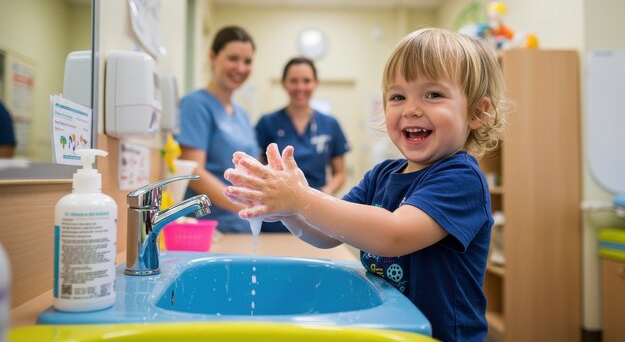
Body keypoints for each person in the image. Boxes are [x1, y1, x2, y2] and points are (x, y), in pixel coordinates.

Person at [224, 28, 511, 341]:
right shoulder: (382, 175)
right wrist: (290, 212)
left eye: (433, 95)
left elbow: (394, 234)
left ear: (477, 113)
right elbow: (328, 234)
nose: (411, 108)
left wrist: (301, 198)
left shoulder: (461, 177)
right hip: (393, 328)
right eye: (398, 96)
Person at [175, 26, 260, 233]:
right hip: (209, 229)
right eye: (233, 58)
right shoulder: (195, 105)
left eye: (247, 61)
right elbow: (194, 172)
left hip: (243, 226)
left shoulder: (241, 114)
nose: (240, 68)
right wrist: (243, 206)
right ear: (213, 57)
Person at [254, 57, 350, 232]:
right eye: (293, 81)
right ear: (284, 83)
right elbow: (256, 169)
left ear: (315, 83)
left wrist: (327, 191)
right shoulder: (267, 123)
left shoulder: (330, 124)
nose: (300, 87)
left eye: (306, 81)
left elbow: (340, 173)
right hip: (276, 214)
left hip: (316, 213)